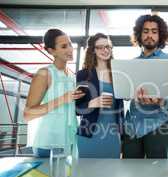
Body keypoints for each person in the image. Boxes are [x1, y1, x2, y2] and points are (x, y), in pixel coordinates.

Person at [122, 14, 168, 158]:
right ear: (139, 35)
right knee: (131, 170)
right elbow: (126, 93)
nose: (150, 35)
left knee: (157, 171)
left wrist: (159, 101)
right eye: (146, 31)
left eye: (154, 31)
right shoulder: (132, 63)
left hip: (157, 125)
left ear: (160, 35)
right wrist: (127, 93)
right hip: (132, 126)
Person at [24, 29, 85, 157]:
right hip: (48, 143)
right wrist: (63, 99)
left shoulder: (72, 76)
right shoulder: (44, 73)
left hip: (69, 141)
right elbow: (28, 114)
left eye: (70, 44)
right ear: (52, 51)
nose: (70, 49)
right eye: (64, 46)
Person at [76, 33, 124, 158]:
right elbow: (76, 109)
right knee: (86, 175)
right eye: (100, 47)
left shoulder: (118, 74)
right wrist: (92, 103)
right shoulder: (83, 75)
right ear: (93, 50)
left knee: (111, 175)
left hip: (112, 136)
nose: (105, 50)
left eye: (108, 46)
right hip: (89, 135)